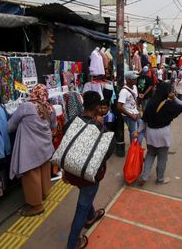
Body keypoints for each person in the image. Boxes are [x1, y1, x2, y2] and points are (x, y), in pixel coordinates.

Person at [64, 91, 111, 249]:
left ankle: (91, 217)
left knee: (86, 196)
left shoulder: (71, 122)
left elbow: (65, 148)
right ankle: (73, 243)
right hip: (88, 175)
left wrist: (65, 170)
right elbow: (105, 153)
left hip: (72, 172)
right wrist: (102, 125)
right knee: (82, 206)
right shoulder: (98, 126)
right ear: (98, 107)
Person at [8, 84, 54, 216]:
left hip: (30, 150)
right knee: (44, 170)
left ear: (33, 93)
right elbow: (54, 125)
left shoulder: (26, 106)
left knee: (31, 177)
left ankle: (36, 206)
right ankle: (44, 194)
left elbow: (10, 126)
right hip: (45, 147)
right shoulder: (49, 107)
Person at [137, 83, 182, 186]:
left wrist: (138, 131)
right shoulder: (169, 104)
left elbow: (143, 121)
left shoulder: (150, 103)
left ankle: (144, 176)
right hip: (163, 134)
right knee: (162, 158)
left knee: (150, 154)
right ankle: (160, 179)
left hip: (150, 133)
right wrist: (174, 98)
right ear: (167, 92)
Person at [117, 71, 140, 141]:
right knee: (134, 135)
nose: (136, 80)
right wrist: (130, 115)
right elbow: (119, 106)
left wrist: (137, 110)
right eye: (134, 79)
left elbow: (135, 100)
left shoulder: (135, 87)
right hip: (129, 116)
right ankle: (134, 150)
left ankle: (136, 149)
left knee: (139, 132)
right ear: (128, 80)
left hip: (135, 113)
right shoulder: (123, 91)